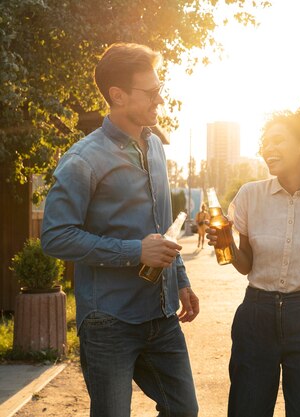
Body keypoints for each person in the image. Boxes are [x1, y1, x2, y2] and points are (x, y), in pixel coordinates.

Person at [41, 43, 200, 417]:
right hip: (109, 320)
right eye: (151, 92)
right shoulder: (83, 159)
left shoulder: (156, 147)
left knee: (184, 411)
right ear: (117, 95)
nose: (159, 99)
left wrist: (181, 278)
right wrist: (135, 252)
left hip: (161, 315)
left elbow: (162, 228)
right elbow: (55, 236)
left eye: (160, 89)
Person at [207, 108, 300, 417]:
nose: (268, 149)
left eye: (278, 140)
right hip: (255, 317)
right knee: (247, 410)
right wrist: (228, 245)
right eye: (265, 143)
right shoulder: (250, 195)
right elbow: (245, 264)